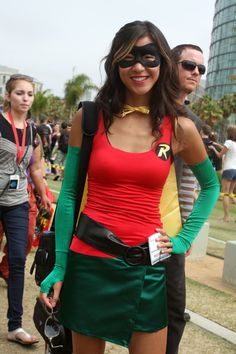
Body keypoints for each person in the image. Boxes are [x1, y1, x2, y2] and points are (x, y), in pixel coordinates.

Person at [40, 21, 219, 354]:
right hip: (89, 262)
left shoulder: (180, 127)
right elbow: (67, 197)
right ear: (115, 64)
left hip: (146, 267)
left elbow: (210, 186)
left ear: (163, 62)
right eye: (128, 58)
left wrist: (182, 240)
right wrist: (61, 266)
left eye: (149, 57)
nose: (139, 66)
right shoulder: (89, 118)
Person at [0, 74, 51, 345]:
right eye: (19, 93)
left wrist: (44, 195)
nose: (25, 98)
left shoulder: (33, 131)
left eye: (29, 94)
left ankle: (15, 326)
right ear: (8, 96)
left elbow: (35, 167)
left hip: (18, 200)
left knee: (18, 259)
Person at [164, 44, 206, 354]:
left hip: (169, 231)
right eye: (189, 65)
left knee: (173, 310)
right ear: (170, 65)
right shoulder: (149, 109)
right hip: (121, 222)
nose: (195, 72)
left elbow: (193, 180)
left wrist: (186, 232)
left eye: (201, 69)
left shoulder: (192, 122)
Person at [209, 125, 236, 221]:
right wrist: (216, 144)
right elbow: (226, 149)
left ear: (229, 133)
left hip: (228, 169)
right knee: (231, 193)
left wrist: (213, 148)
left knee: (225, 193)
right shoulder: (233, 143)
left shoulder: (228, 142)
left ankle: (226, 217)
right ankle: (228, 216)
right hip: (235, 170)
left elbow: (220, 155)